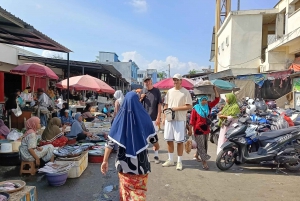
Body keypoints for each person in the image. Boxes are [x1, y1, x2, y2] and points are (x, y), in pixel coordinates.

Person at [100, 92, 159, 201]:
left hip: (123, 164)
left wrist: (105, 160)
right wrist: (156, 146)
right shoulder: (145, 117)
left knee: (125, 193)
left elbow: (110, 143)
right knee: (139, 193)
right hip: (141, 165)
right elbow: (154, 140)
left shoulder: (119, 118)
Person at [162, 73, 193, 171]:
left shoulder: (185, 92)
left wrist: (176, 108)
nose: (175, 82)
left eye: (177, 80)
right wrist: (164, 114)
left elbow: (189, 106)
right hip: (169, 119)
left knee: (179, 141)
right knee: (169, 140)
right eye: (174, 80)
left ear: (181, 81)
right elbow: (166, 105)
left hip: (180, 119)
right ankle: (170, 159)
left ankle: (179, 161)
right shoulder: (169, 92)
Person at [189, 88, 220, 170]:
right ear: (199, 100)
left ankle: (196, 155)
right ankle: (204, 162)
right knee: (202, 146)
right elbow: (192, 120)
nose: (204, 102)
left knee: (204, 145)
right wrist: (190, 130)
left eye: (205, 100)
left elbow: (217, 100)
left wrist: (214, 89)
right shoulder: (195, 108)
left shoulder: (208, 107)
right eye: (202, 100)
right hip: (198, 130)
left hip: (206, 129)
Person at [140, 77, 162, 164]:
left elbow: (159, 104)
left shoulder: (156, 91)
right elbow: (137, 103)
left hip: (153, 118)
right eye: (145, 81)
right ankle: (146, 157)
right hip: (144, 119)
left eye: (148, 81)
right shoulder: (142, 91)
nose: (147, 83)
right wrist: (141, 98)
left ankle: (156, 155)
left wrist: (158, 117)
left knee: (154, 139)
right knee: (145, 139)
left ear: (151, 81)